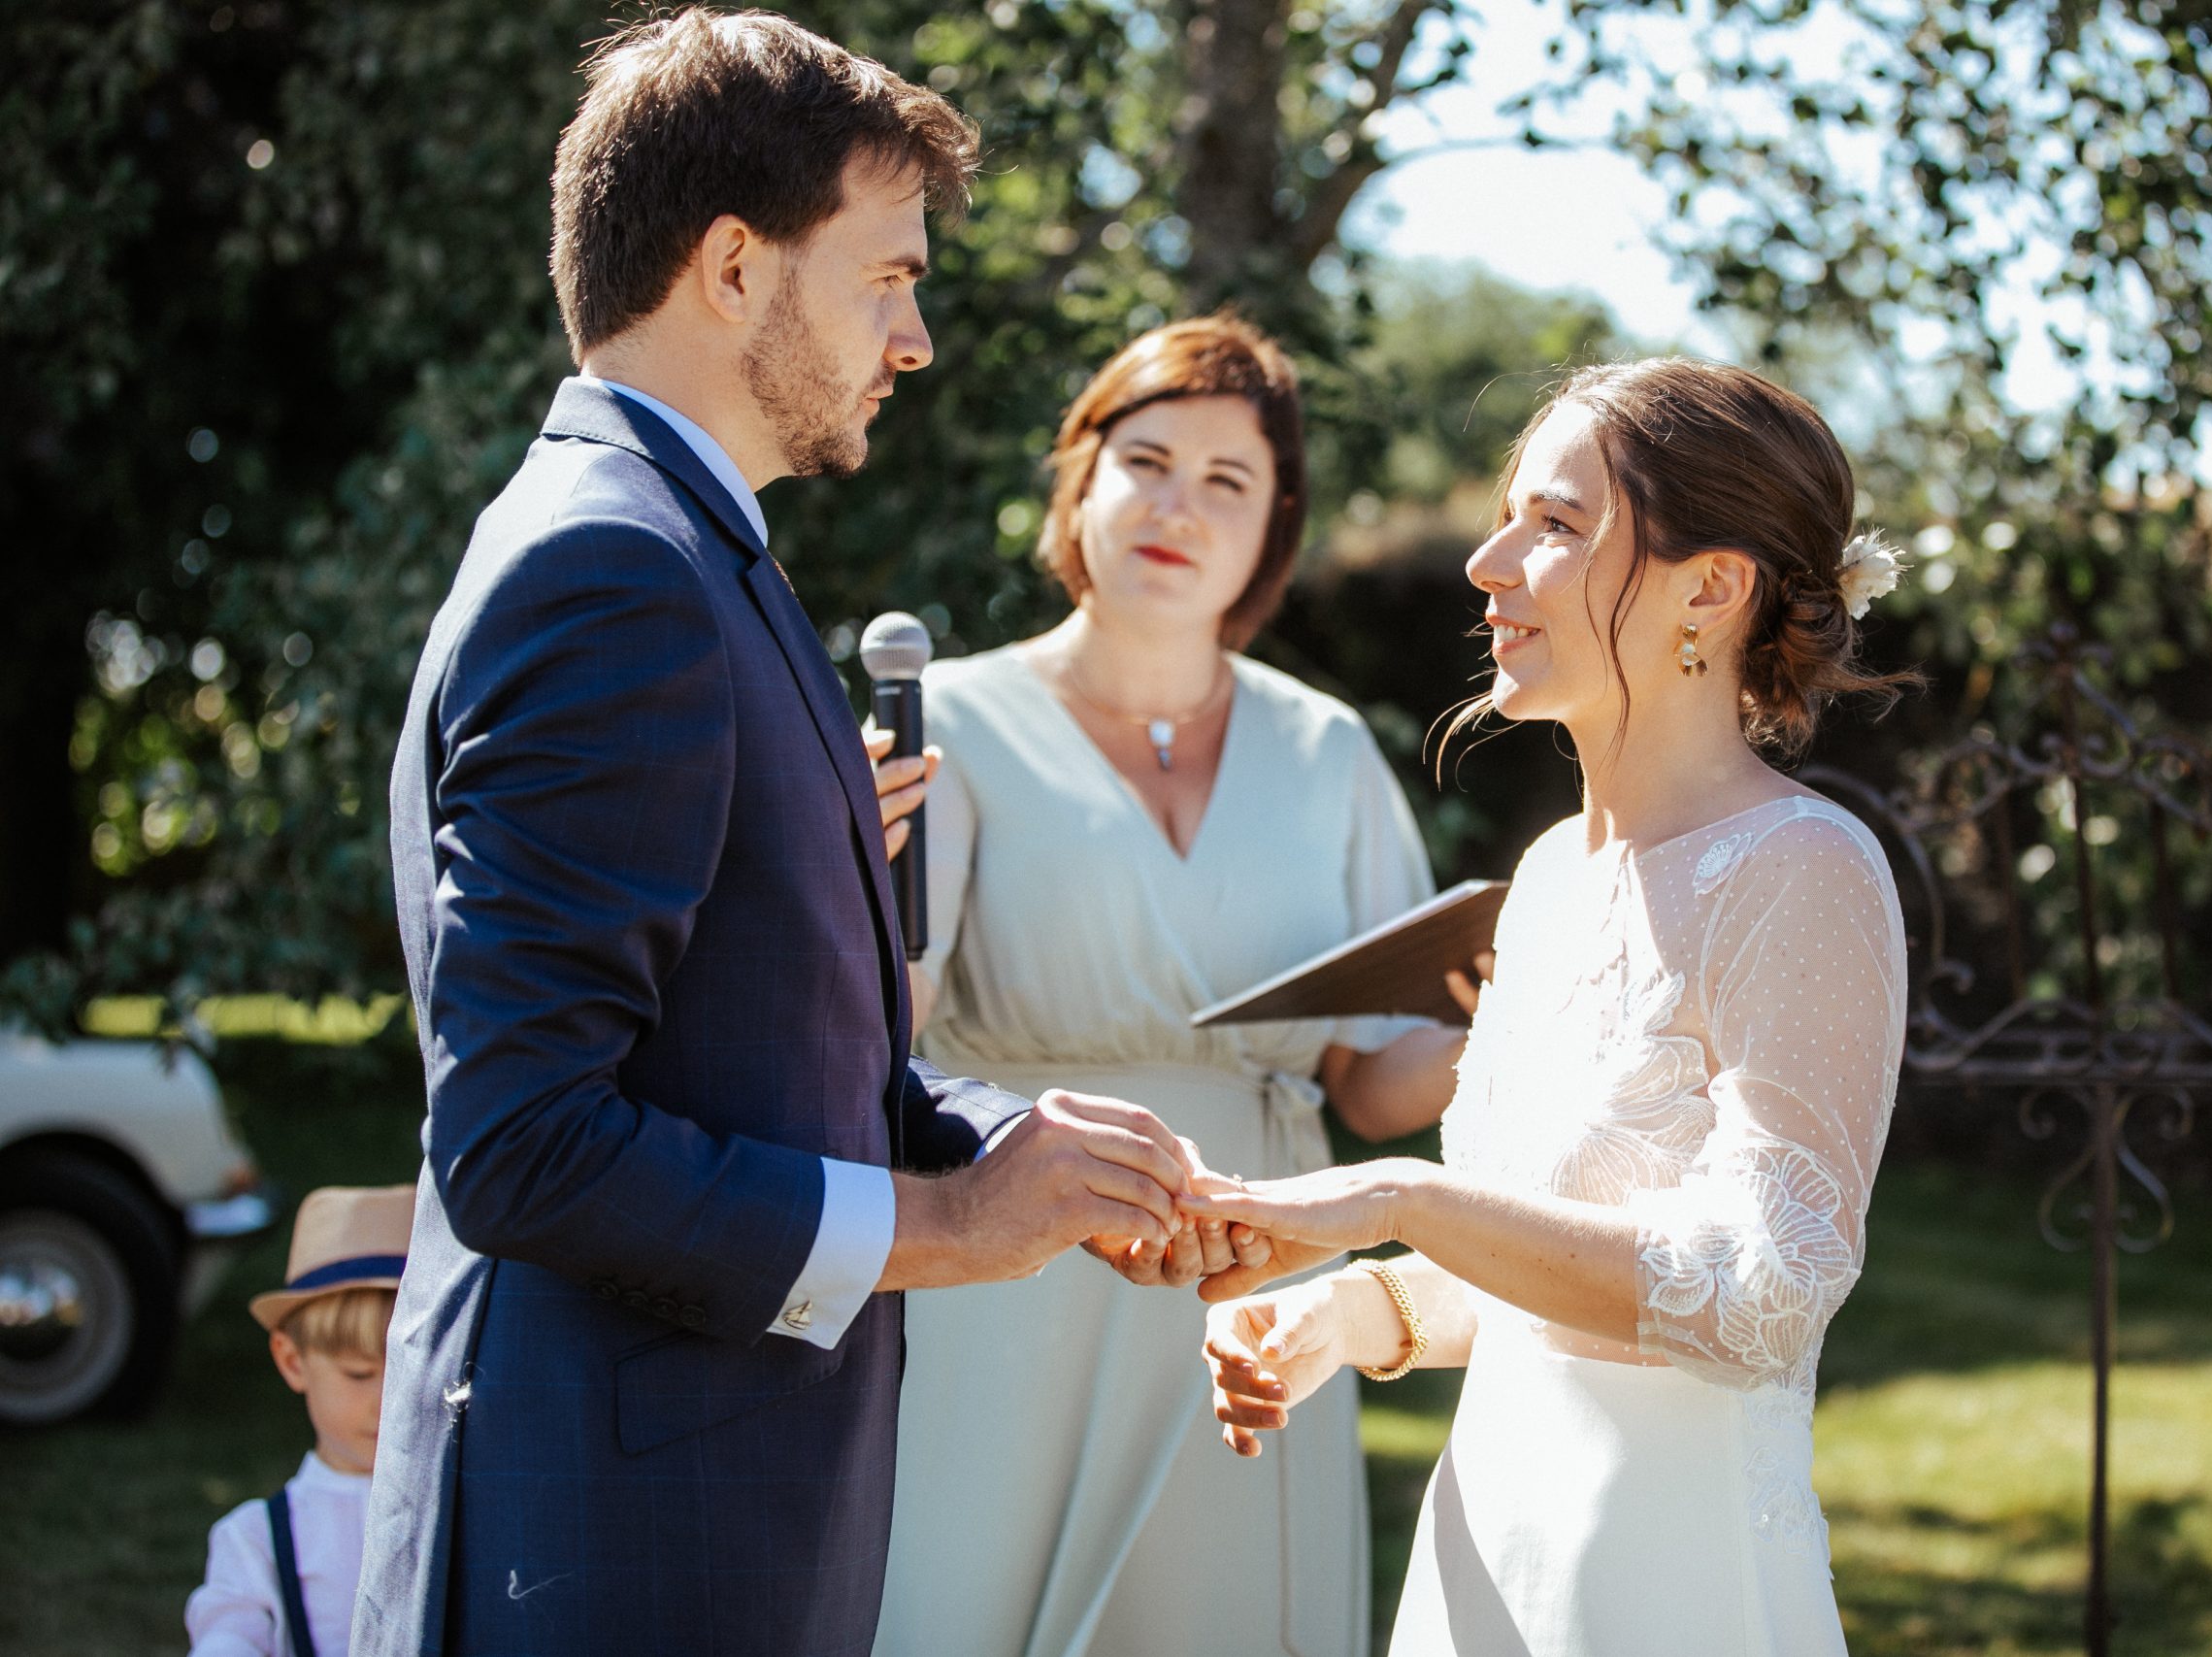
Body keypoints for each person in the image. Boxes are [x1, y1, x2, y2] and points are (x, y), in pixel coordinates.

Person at [357, 15, 1239, 1656]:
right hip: (618, 1549)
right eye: (886, 278)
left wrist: (1015, 1152)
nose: (911, 340)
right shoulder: (611, 573)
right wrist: (954, 1231)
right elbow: (524, 1141)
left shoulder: (692, 552)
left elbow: (760, 1048)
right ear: (736, 267)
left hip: (707, 1513)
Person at [1185, 356, 1918, 1655]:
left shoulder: (1802, 869)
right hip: (1487, 1552)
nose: (1487, 559)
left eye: (1558, 523)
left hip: (1666, 1578)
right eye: (1510, 512)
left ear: (1712, 586)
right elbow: (1563, 1260)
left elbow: (1760, 1294)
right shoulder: (1544, 879)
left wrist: (1394, 1196)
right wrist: (1360, 1314)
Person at [873, 315, 1469, 1657]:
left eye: (1228, 482)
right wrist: (839, 879)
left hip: (1251, 1280)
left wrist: (1497, 1010)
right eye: (1146, 459)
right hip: (1013, 1268)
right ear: (1078, 479)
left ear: (1275, 529)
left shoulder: (1327, 751)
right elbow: (878, 1041)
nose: (1178, 507)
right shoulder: (945, 729)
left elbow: (1373, 1088)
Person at [185, 1184, 415, 1657]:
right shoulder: (257, 1541)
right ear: (292, 1361)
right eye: (359, 1374)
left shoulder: (474, 1508)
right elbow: (228, 1635)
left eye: (411, 1375)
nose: (389, 1402)